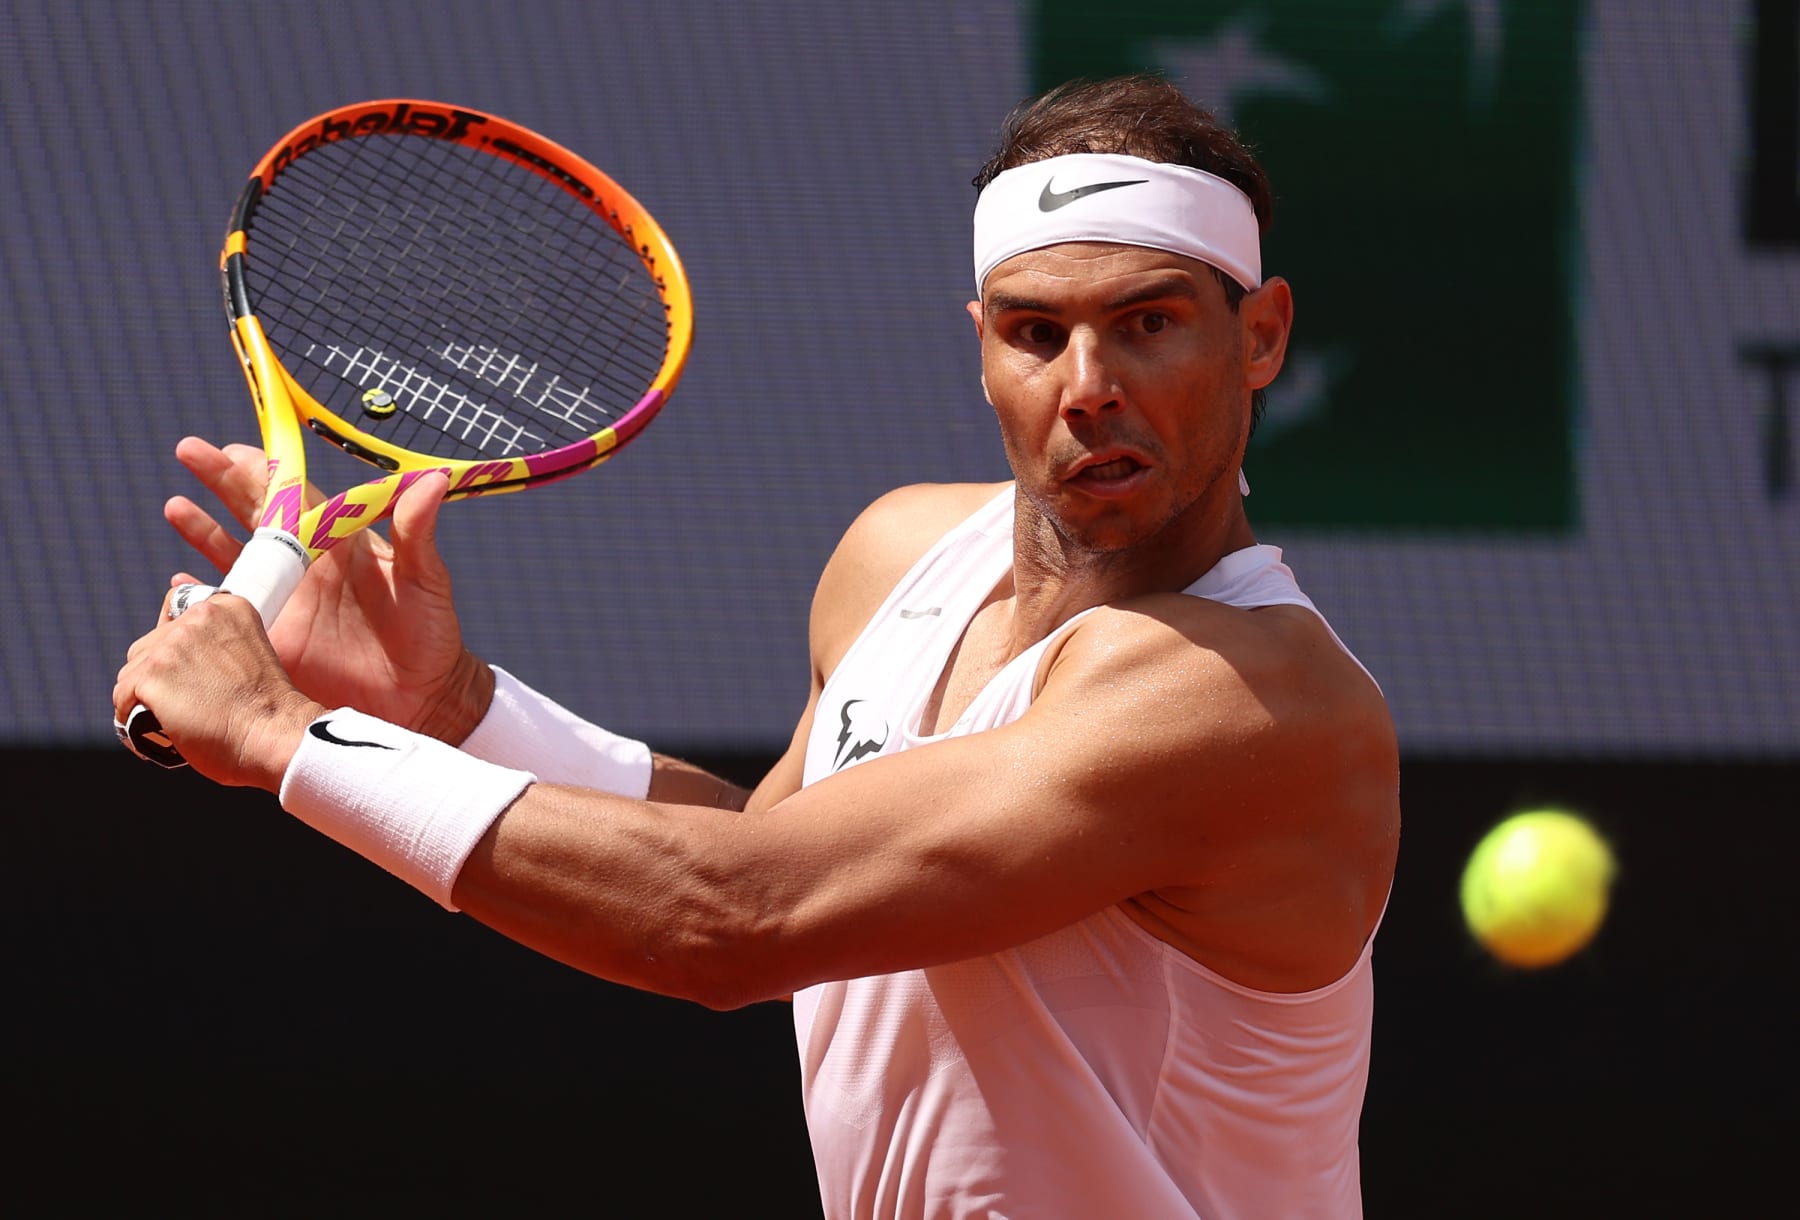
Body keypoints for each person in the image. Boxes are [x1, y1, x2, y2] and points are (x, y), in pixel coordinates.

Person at [116, 74, 1400, 1219]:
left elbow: (740, 915)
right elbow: (784, 845)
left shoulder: (1248, 697)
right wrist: (453, 709)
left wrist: (286, 735)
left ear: (1262, 336)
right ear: (982, 345)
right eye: (1033, 331)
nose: (1087, 384)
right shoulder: (900, 552)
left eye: (1149, 321)